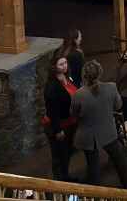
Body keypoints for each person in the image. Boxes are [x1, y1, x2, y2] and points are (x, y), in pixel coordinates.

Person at [70, 61, 127, 188]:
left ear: (84, 76)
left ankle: (96, 194)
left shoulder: (77, 95)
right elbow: (118, 105)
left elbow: (74, 115)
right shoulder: (111, 87)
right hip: (108, 131)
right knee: (118, 158)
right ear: (100, 73)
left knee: (92, 165)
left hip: (88, 135)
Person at [44, 54, 78, 182]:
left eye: (65, 63)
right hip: (58, 124)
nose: (64, 66)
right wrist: (58, 130)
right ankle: (59, 181)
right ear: (54, 67)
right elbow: (50, 109)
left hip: (70, 122)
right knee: (59, 155)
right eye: (61, 64)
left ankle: (66, 177)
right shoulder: (51, 85)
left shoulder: (67, 77)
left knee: (67, 152)